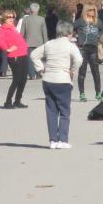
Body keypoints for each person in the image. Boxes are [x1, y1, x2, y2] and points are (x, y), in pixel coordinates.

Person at [31, 21, 83, 149]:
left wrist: (40, 69)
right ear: (70, 33)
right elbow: (79, 60)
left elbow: (33, 55)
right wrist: (73, 71)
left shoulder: (49, 44)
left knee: (51, 111)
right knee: (64, 111)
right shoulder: (70, 46)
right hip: (63, 79)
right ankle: (63, 140)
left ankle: (53, 140)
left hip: (48, 79)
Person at [0, 9, 30, 109]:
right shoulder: (3, 29)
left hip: (23, 54)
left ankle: (17, 100)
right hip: (14, 56)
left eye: (13, 17)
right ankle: (7, 102)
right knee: (16, 79)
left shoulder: (13, 28)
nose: (11, 19)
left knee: (23, 79)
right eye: (8, 17)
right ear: (4, 19)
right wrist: (7, 49)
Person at [73, 4, 103, 102]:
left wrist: (98, 36)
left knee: (96, 72)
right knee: (82, 72)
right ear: (85, 11)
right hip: (83, 49)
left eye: (94, 10)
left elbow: (102, 29)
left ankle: (98, 92)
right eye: (90, 10)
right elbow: (72, 28)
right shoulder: (80, 21)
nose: (92, 12)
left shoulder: (98, 22)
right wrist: (76, 37)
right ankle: (82, 93)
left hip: (93, 48)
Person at [20, 2, 48, 79]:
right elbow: (44, 32)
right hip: (40, 43)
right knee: (38, 59)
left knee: (30, 59)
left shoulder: (25, 19)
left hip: (28, 42)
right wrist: (46, 43)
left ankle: (32, 75)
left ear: (30, 10)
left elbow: (22, 32)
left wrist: (20, 42)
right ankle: (38, 73)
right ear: (38, 10)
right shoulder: (42, 19)